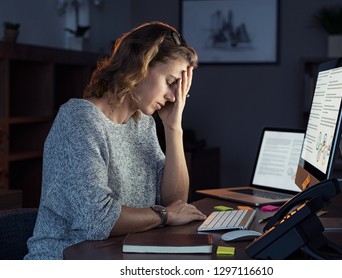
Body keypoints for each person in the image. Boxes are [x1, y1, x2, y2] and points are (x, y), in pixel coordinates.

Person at [24, 21, 207, 260]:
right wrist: (165, 215)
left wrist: (174, 128)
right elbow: (98, 219)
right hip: (66, 261)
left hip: (117, 257)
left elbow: (175, 202)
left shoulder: (142, 123)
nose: (174, 96)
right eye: (171, 82)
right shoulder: (79, 120)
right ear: (140, 65)